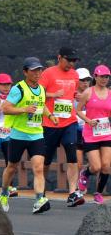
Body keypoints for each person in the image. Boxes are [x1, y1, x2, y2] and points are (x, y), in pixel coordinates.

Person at [0, 57, 51, 214]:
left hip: (36, 135)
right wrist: (24, 109)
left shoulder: (41, 88)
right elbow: (6, 108)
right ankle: (3, 194)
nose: (37, 73)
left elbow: (41, 107)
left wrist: (51, 116)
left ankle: (39, 199)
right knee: (11, 167)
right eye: (34, 70)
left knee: (38, 168)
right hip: (19, 135)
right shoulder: (18, 89)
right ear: (25, 72)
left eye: (39, 70)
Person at [40, 47, 85, 206]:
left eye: (74, 61)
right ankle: (42, 190)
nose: (71, 63)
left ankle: (72, 193)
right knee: (45, 160)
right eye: (69, 60)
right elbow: (38, 94)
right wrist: (53, 95)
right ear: (59, 57)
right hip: (50, 123)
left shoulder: (75, 75)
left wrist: (76, 96)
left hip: (69, 122)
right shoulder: (48, 73)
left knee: (72, 156)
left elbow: (70, 94)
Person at [77, 65, 111, 205]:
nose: (104, 79)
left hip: (106, 133)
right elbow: (78, 111)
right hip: (91, 133)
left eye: (107, 77)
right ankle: (85, 173)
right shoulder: (88, 92)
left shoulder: (110, 93)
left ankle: (98, 192)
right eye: (101, 76)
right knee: (96, 167)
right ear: (95, 77)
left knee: (106, 166)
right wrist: (88, 120)